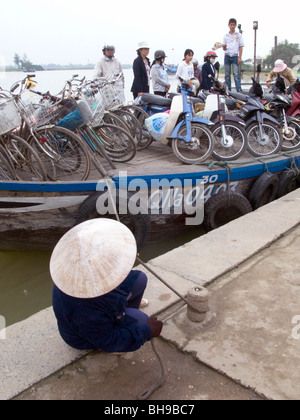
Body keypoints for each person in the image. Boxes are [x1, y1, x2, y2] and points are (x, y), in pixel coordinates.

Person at [51, 218, 163, 353]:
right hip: (85, 336)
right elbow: (107, 340)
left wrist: (125, 258)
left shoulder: (77, 269)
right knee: (142, 321)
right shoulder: (84, 310)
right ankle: (121, 325)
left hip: (103, 303)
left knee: (139, 279)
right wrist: (147, 331)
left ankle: (123, 313)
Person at [223, 18, 244, 92]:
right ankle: (228, 90)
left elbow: (241, 46)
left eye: (233, 25)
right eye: (231, 25)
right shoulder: (226, 36)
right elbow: (224, 49)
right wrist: (224, 46)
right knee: (227, 75)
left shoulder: (238, 35)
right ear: (228, 25)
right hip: (227, 56)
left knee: (236, 74)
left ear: (235, 26)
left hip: (235, 56)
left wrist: (240, 57)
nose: (232, 26)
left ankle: (238, 89)